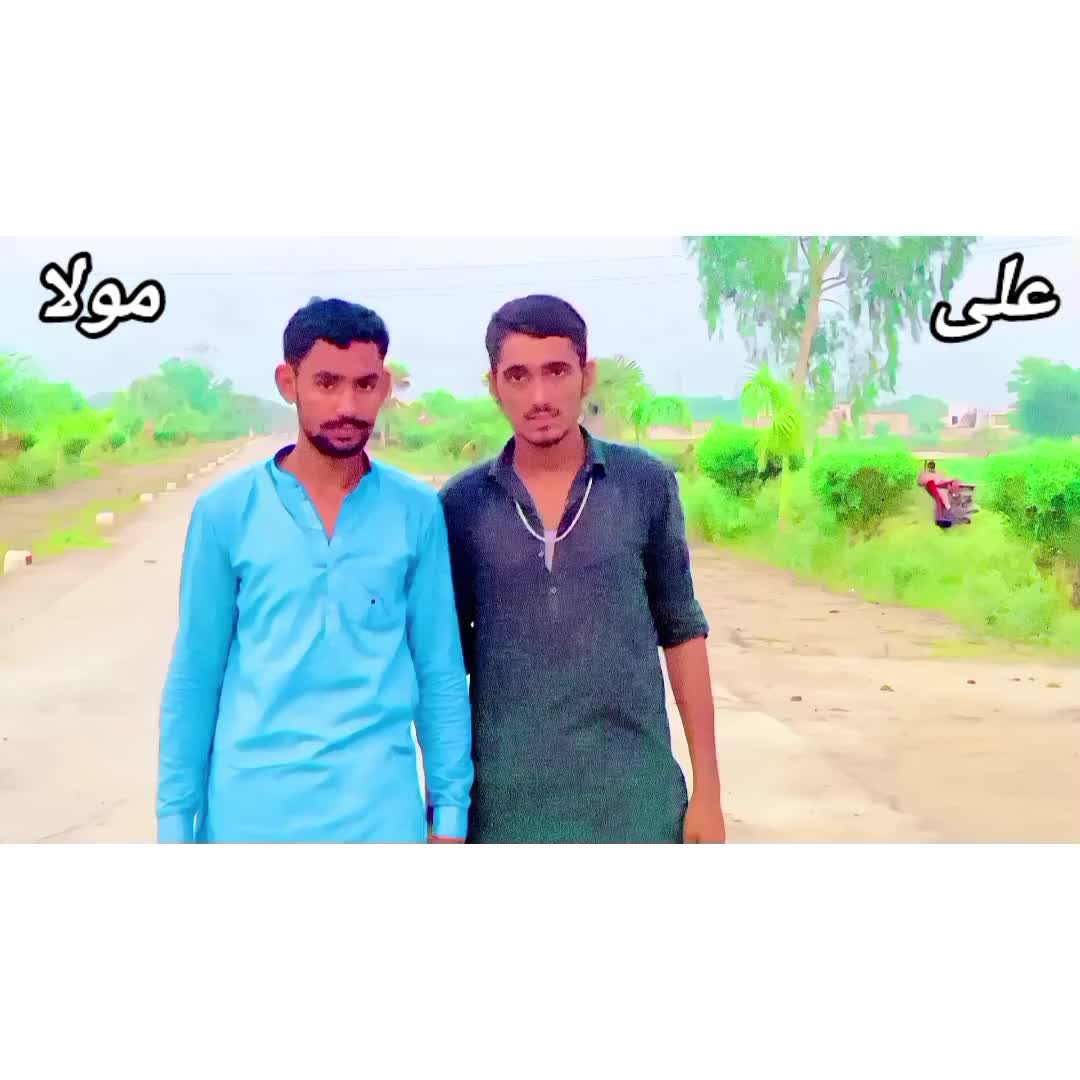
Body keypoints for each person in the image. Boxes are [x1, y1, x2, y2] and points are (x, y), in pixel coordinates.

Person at [156, 297, 473, 843]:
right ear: (289, 382)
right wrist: (174, 824)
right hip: (249, 819)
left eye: (365, 384)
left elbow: (439, 669)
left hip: (380, 820)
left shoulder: (415, 511)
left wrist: (449, 814)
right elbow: (195, 676)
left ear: (384, 386)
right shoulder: (226, 512)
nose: (348, 405)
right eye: (327, 383)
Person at [439, 294, 726, 844]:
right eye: (518, 376)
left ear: (585, 375)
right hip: (505, 813)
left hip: (636, 808)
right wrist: (446, 808)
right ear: (494, 384)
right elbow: (444, 669)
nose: (539, 396)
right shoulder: (462, 505)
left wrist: (708, 793)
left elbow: (683, 633)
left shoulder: (644, 485)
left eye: (556, 371)